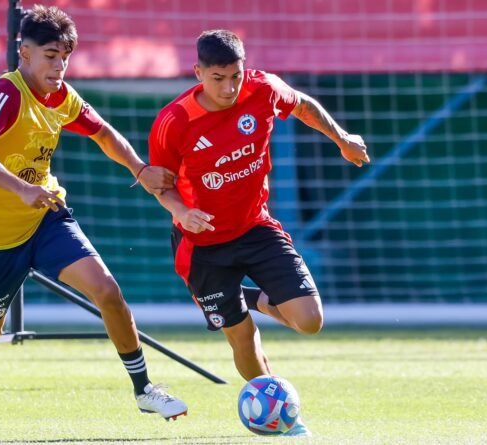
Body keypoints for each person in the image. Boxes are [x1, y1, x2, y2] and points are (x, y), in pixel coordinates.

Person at [0, 5, 187, 420]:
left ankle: (144, 389)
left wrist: (139, 168)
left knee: (108, 293)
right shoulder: (5, 93)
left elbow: (102, 131)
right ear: (23, 52)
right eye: (50, 55)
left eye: (65, 56)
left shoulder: (62, 95)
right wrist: (22, 188)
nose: (59, 65)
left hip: (46, 218)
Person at [148, 30, 370, 434]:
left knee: (309, 320)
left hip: (255, 227)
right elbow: (159, 184)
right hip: (201, 245)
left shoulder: (263, 89)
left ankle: (249, 298)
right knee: (243, 339)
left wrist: (341, 139)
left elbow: (302, 104)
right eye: (218, 78)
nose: (229, 87)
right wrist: (183, 212)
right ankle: (281, 422)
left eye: (235, 75)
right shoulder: (174, 122)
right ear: (198, 72)